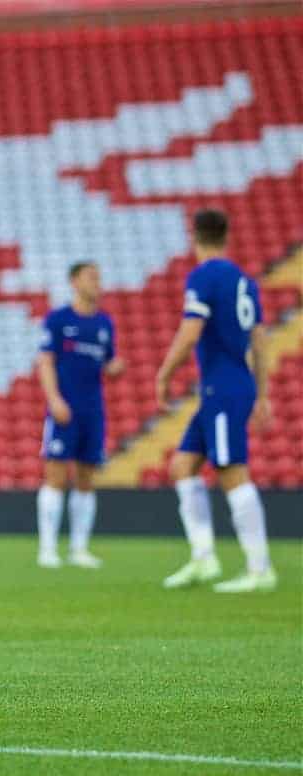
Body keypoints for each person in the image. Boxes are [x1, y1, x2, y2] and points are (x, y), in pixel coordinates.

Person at [158, 209, 275, 593]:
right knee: (183, 466)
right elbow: (259, 341)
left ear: (195, 237)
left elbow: (191, 332)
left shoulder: (204, 276)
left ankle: (260, 568)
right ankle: (204, 558)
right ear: (227, 236)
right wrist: (261, 393)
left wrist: (164, 373)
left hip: (222, 388)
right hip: (228, 386)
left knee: (230, 471)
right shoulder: (244, 280)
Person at [35, 261, 125, 569]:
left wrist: (115, 368)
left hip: (93, 411)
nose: (97, 282)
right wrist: (54, 399)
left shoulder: (104, 324)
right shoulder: (59, 319)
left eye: (99, 277)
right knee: (56, 476)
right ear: (74, 281)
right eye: (91, 277)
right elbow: (45, 362)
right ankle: (47, 549)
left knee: (86, 478)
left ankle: (79, 548)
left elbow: (108, 362)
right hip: (65, 408)